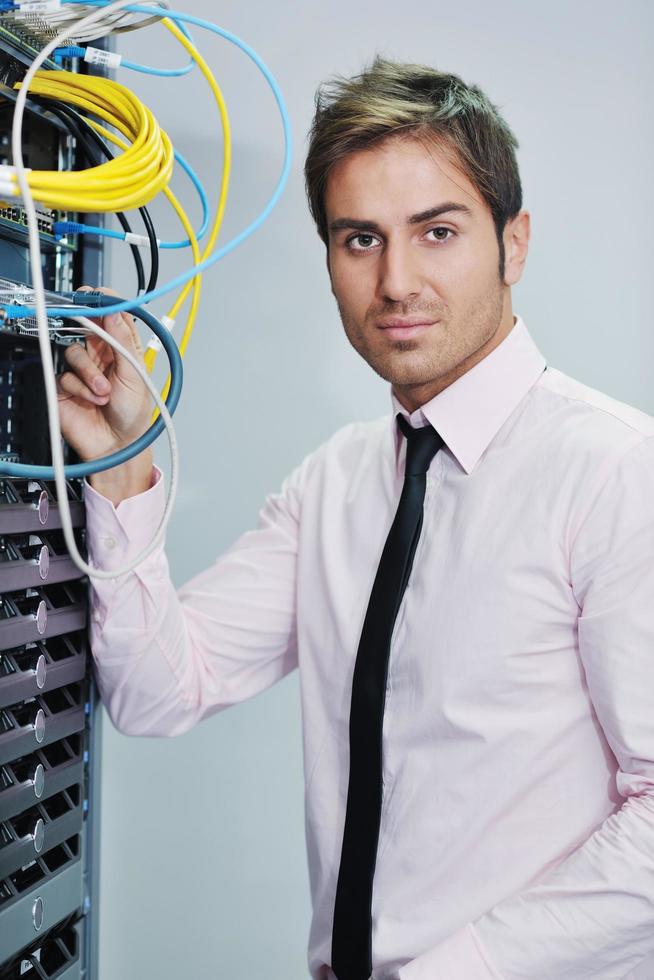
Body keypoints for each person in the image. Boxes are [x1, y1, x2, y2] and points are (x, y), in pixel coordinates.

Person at [57, 58, 654, 980]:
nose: (396, 282)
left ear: (515, 243)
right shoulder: (334, 483)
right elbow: (156, 691)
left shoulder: (618, 473)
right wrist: (126, 462)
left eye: (438, 231)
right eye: (360, 240)